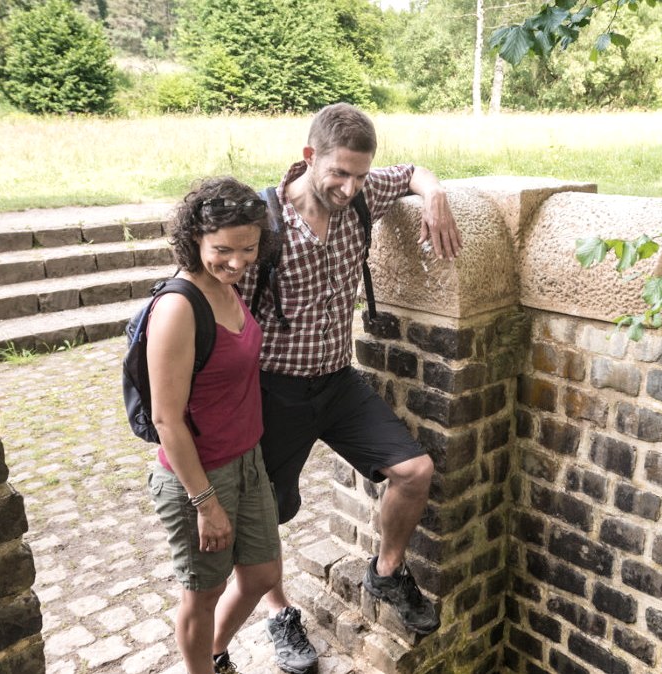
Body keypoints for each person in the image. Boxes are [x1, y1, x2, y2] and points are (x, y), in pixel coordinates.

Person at [234, 103, 464, 674]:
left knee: (415, 471)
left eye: (361, 174)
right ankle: (278, 610)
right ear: (309, 157)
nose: (349, 186)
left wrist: (433, 194)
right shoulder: (262, 224)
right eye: (339, 172)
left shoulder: (363, 195)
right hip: (273, 390)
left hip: (337, 381)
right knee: (265, 516)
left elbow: (411, 171)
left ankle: (386, 573)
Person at [144, 177, 282, 674]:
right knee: (203, 593)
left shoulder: (231, 286)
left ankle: (215, 651)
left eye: (249, 248)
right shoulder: (180, 307)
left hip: (247, 460)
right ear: (195, 241)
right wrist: (205, 503)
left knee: (263, 572)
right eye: (223, 249)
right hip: (198, 477)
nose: (238, 261)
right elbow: (166, 418)